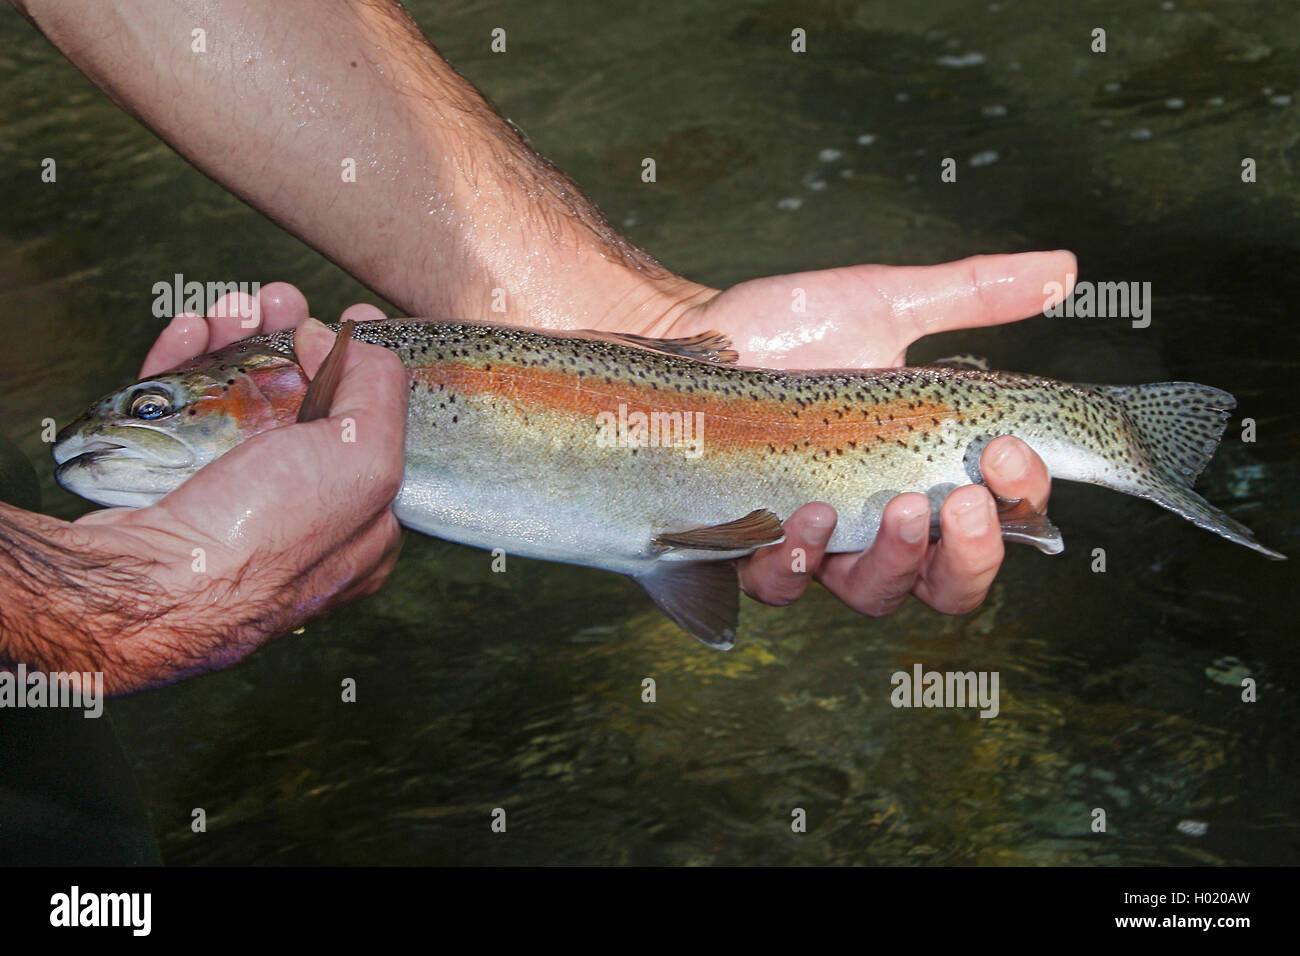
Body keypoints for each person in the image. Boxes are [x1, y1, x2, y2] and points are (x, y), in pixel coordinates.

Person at [2, 0, 1067, 696]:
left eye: (151, 413)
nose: (119, 430)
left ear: (280, 386)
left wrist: (633, 320)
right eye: (150, 414)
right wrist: (103, 603)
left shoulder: (327, 382)